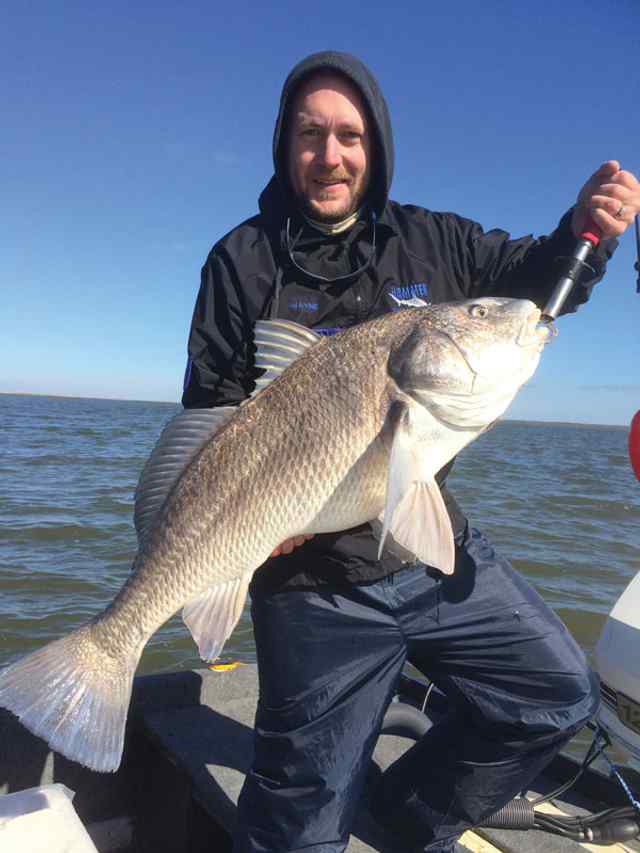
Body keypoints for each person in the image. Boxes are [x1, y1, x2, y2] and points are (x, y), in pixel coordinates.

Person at [182, 52, 640, 853]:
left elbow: (531, 285)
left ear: (377, 145)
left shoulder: (433, 241)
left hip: (430, 549)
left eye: (349, 135)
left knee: (556, 693)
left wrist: (583, 232)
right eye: (310, 133)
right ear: (285, 144)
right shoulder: (239, 260)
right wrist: (255, 525)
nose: (330, 154)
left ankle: (400, 821)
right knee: (301, 820)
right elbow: (212, 413)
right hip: (310, 581)